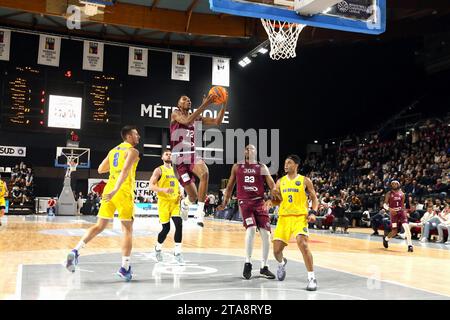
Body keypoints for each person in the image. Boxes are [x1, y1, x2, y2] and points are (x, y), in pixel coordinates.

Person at [65, 125, 140, 281]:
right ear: (128, 137)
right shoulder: (132, 151)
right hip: (122, 191)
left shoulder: (113, 151)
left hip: (108, 190)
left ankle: (76, 250)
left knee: (99, 226)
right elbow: (125, 171)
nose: (138, 137)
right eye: (136, 134)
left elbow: (100, 169)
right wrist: (117, 188)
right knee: (127, 230)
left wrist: (113, 178)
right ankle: (125, 268)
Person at [219, 145, 277, 280]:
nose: (248, 151)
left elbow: (272, 184)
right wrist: (225, 202)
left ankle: (264, 266)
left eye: (251, 149)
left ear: (256, 152)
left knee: (266, 235)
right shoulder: (237, 166)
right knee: (250, 230)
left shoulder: (262, 166)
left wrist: (274, 197)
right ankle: (248, 263)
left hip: (259, 202)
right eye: (246, 149)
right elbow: (230, 186)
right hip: (245, 202)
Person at [170, 93, 227, 227]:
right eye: (184, 99)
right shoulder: (175, 114)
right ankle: (185, 203)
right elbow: (187, 121)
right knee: (193, 196)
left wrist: (224, 103)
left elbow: (217, 122)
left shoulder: (196, 118)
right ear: (179, 104)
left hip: (192, 154)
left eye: (189, 99)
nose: (188, 100)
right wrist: (206, 104)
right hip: (179, 158)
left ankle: (200, 213)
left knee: (205, 173)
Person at [272, 155, 319, 291]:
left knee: (303, 244)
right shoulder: (280, 181)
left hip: (300, 217)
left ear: (296, 165)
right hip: (284, 218)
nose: (286, 165)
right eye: (285, 163)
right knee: (276, 251)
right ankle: (281, 263)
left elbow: (314, 199)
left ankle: (311, 278)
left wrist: (313, 212)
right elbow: (277, 201)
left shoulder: (305, 180)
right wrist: (273, 197)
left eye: (289, 163)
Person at [149, 149, 184, 264]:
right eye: (166, 154)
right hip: (163, 203)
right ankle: (158, 248)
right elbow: (151, 186)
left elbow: (180, 184)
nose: (169, 156)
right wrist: (163, 189)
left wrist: (182, 193)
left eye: (170, 154)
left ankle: (177, 252)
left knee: (179, 224)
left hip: (175, 202)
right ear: (162, 157)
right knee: (166, 229)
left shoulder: (177, 171)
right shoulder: (159, 170)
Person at [382, 181, 414, 252]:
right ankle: (386, 239)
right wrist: (389, 209)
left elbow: (402, 205)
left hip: (401, 212)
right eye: (392, 184)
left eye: (395, 184)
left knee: (406, 227)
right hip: (393, 213)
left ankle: (410, 245)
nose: (394, 185)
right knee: (394, 231)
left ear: (398, 184)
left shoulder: (402, 194)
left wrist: (404, 212)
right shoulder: (389, 193)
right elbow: (384, 205)